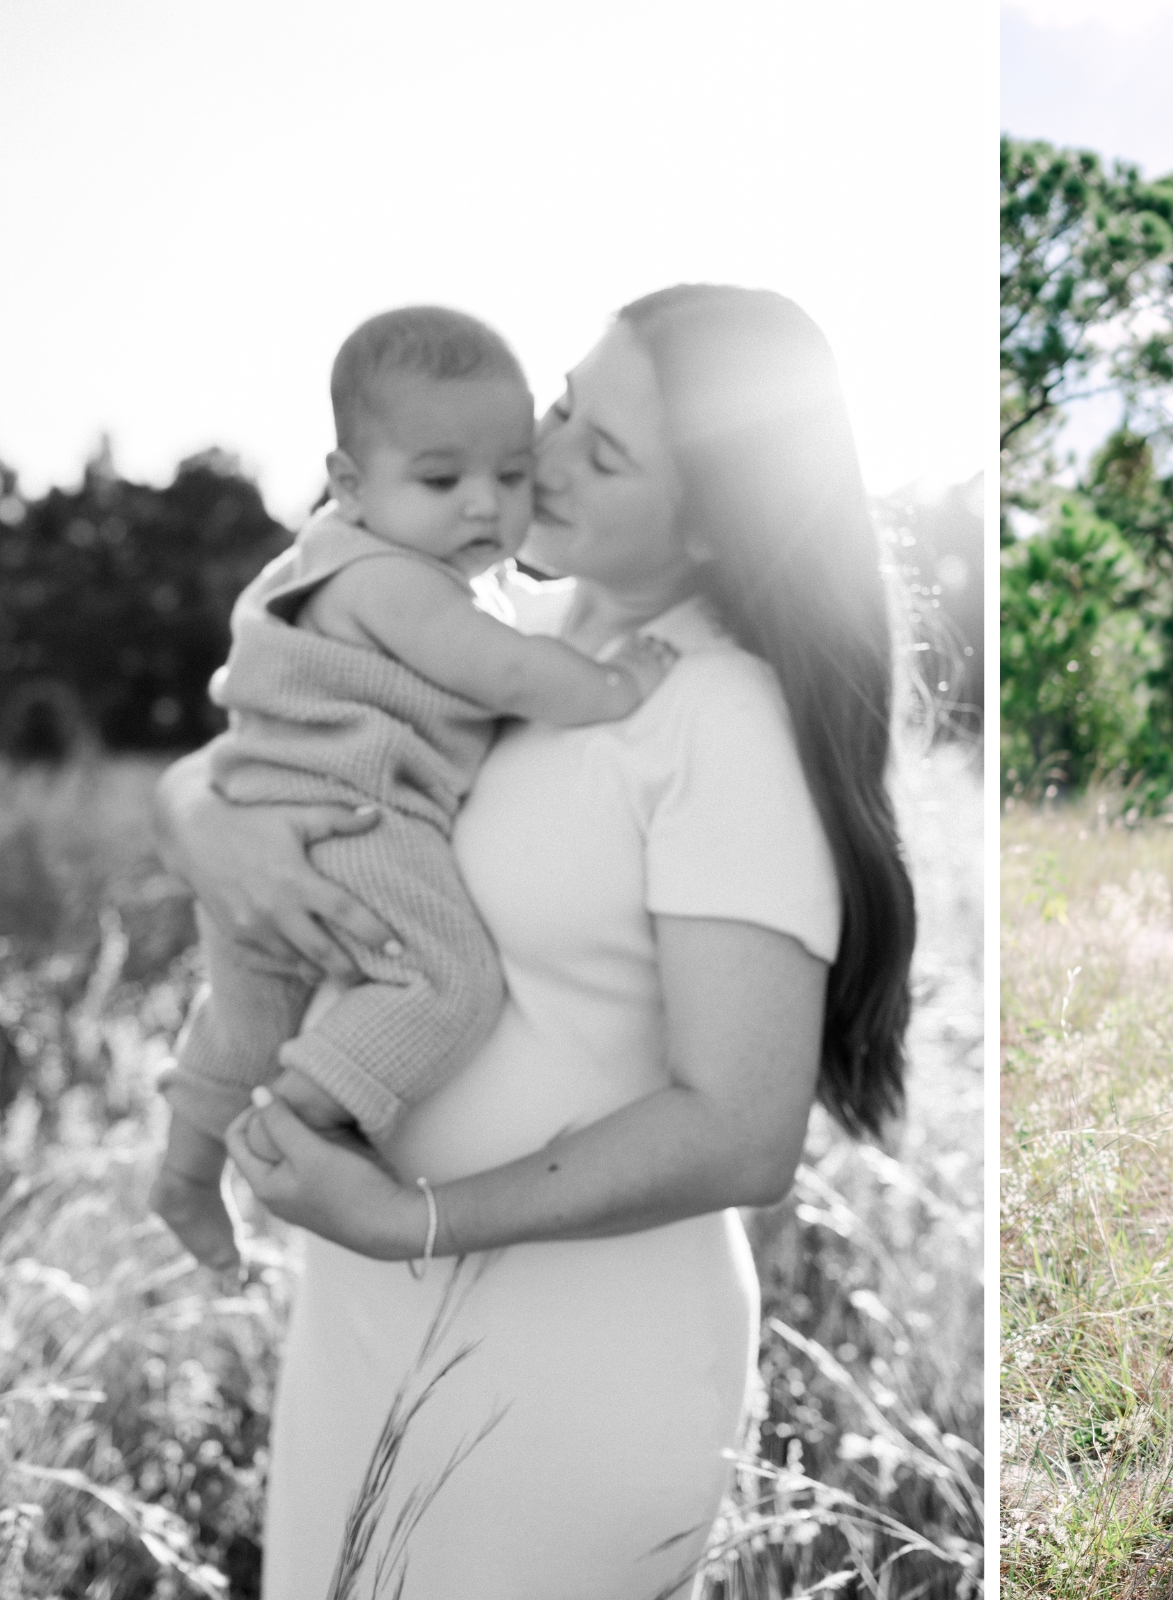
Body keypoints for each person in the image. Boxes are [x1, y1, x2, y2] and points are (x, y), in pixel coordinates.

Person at [152, 284, 915, 1598]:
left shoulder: (712, 713)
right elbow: (257, 735)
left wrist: (415, 1218)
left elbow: (743, 1129)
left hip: (567, 1355)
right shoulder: (504, 641)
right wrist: (196, 822)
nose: (538, 456)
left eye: (598, 449)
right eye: (564, 402)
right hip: (372, 1306)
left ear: (717, 532)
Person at [152, 305, 672, 1276]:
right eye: (442, 480)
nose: (484, 505)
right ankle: (293, 1126)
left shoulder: (333, 554)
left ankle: (183, 1173)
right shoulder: (394, 582)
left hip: (262, 813)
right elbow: (507, 673)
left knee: (246, 1016)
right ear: (349, 484)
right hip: (355, 818)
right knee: (445, 981)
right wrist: (617, 685)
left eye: (509, 475)